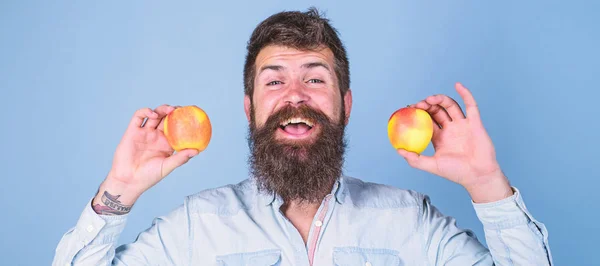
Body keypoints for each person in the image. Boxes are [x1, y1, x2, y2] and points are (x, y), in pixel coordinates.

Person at [53, 7, 553, 266]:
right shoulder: (196, 227)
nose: (295, 97)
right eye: (274, 81)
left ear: (346, 105)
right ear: (250, 110)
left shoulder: (409, 222)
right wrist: (120, 188)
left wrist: (488, 184)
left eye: (315, 78)